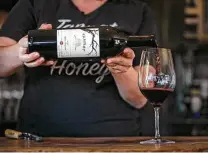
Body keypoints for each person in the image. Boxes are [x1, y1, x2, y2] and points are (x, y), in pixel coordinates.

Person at [0, 0, 158, 137]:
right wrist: (20, 52)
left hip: (112, 140)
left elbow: (139, 99)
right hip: (39, 138)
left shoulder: (137, 10)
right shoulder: (35, 3)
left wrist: (121, 69)